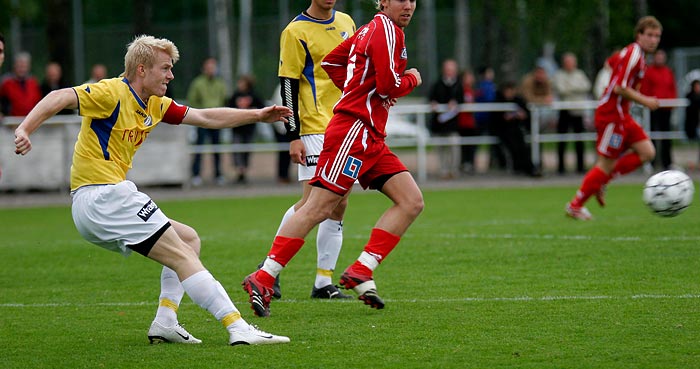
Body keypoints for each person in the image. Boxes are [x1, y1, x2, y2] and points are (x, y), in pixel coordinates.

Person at [13, 35, 292, 345]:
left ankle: (166, 320)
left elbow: (204, 116)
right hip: (103, 196)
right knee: (183, 257)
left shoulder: (155, 104)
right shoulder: (112, 92)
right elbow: (60, 96)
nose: (170, 76)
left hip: (99, 202)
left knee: (188, 239)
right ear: (142, 70)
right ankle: (237, 327)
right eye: (165, 68)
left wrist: (257, 114)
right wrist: (25, 128)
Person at [242, 0, 422, 317]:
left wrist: (354, 90)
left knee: (411, 200)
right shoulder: (386, 30)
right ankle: (264, 276)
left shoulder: (364, 27)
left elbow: (333, 63)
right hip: (352, 133)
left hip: (369, 137)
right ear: (383, 2)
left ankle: (362, 269)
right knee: (318, 206)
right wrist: (411, 80)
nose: (408, 5)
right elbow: (387, 85)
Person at [267, 0, 356, 300]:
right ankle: (269, 270)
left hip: (346, 125)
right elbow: (288, 84)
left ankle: (322, 281)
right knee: (313, 203)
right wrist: (293, 135)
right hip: (315, 127)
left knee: (339, 202)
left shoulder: (346, 22)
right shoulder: (295, 31)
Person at [565, 16, 662, 220]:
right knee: (605, 164)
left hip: (622, 115)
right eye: (650, 35)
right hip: (611, 115)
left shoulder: (636, 55)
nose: (654, 40)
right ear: (639, 35)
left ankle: (603, 181)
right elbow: (620, 88)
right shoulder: (634, 54)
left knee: (647, 152)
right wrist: (646, 100)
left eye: (657, 36)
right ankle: (575, 205)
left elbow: (610, 63)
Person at [187, 57, 227, 186]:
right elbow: (192, 100)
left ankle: (218, 174)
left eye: (213, 67)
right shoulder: (198, 83)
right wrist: (201, 113)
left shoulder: (220, 83)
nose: (211, 70)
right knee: (200, 147)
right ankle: (196, 174)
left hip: (217, 120)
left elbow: (224, 99)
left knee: (217, 148)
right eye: (209, 67)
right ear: (204, 69)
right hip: (202, 120)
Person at [552, 52, 591, 174]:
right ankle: (561, 167)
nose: (569, 64)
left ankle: (580, 166)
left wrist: (570, 88)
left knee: (579, 139)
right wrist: (576, 89)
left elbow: (586, 86)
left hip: (578, 110)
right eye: (567, 62)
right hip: (564, 110)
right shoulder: (559, 75)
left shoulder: (580, 74)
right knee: (562, 139)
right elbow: (561, 89)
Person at [640, 49, 677, 170]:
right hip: (653, 107)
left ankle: (667, 163)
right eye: (658, 56)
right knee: (652, 135)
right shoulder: (649, 71)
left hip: (666, 108)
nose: (660, 59)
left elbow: (672, 88)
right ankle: (652, 162)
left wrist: (672, 102)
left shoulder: (668, 71)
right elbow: (645, 89)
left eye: (662, 56)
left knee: (667, 136)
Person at [493, 81, 540, 177]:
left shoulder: (518, 100)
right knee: (514, 146)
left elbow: (526, 114)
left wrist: (521, 115)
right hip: (503, 130)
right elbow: (496, 118)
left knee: (523, 146)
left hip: (516, 129)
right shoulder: (499, 100)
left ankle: (529, 168)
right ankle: (522, 167)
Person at [429, 58, 463, 179]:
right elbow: (431, 99)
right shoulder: (437, 84)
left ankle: (453, 170)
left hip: (453, 124)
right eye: (448, 69)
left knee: (454, 146)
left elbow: (462, 101)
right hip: (439, 124)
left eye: (452, 70)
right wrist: (434, 104)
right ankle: (443, 171)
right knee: (440, 148)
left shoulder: (459, 85)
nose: (450, 72)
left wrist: (455, 103)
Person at [229, 75, 264, 184]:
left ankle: (244, 170)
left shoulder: (253, 95)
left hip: (249, 129)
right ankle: (239, 170)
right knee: (237, 150)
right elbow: (228, 107)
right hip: (237, 128)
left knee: (246, 150)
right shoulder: (235, 95)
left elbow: (262, 107)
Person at [0, 52, 42, 116]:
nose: (22, 69)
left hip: (31, 120)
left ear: (29, 67)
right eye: (19, 66)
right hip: (11, 121)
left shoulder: (33, 83)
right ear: (14, 66)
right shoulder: (6, 83)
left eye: (24, 66)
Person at [458, 69, 478, 174]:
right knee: (465, 146)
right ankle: (464, 164)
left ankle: (470, 164)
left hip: (470, 122)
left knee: (471, 145)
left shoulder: (471, 90)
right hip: (463, 122)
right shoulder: (462, 90)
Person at [685, 80, 700, 166]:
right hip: (692, 127)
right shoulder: (690, 97)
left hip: (696, 126)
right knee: (691, 147)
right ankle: (692, 164)